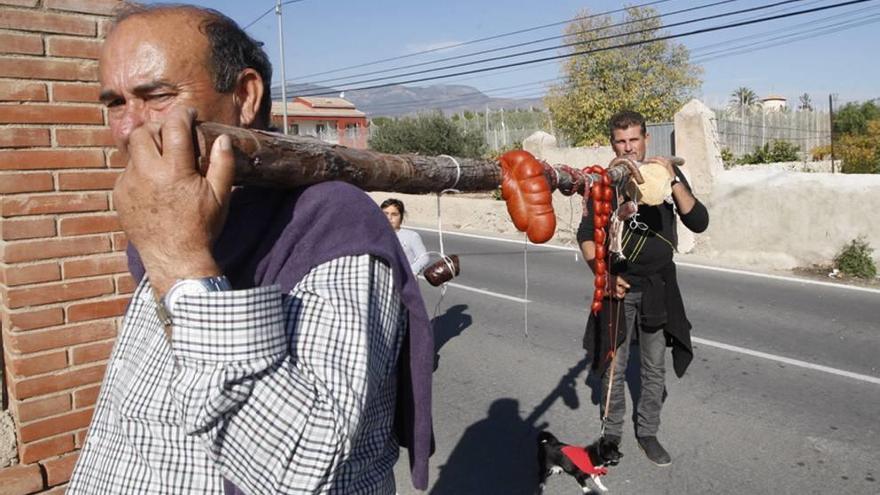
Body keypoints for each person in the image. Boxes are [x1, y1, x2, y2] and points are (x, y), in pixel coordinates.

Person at [68, 4, 433, 494]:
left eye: (156, 96)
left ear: (244, 96)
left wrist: (180, 265)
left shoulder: (331, 223)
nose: (131, 127)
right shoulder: (180, 216)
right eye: (115, 103)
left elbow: (300, 469)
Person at [577, 110, 709, 467]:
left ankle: (648, 432)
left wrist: (672, 177)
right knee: (614, 366)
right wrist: (602, 274)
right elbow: (586, 235)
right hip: (618, 287)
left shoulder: (665, 175)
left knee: (653, 364)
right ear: (612, 144)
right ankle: (611, 436)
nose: (628, 148)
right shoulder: (605, 181)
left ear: (646, 139)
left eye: (634, 140)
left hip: (657, 286)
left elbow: (698, 221)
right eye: (621, 141)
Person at [381, 198, 430, 275]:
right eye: (385, 214)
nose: (389, 218)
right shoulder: (374, 235)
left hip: (404, 283)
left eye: (394, 214)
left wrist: (410, 273)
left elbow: (424, 258)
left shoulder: (411, 236)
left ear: (401, 216)